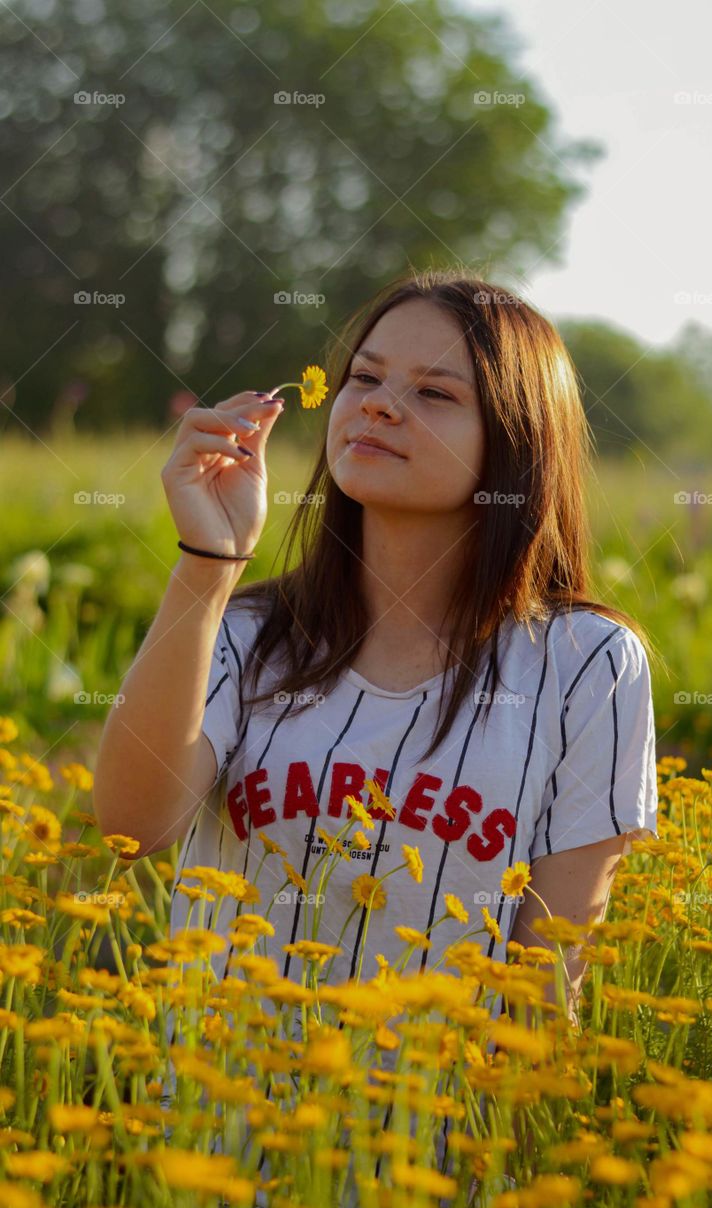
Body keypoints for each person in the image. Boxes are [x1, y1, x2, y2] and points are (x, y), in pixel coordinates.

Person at [93, 266, 658, 1021]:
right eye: (365, 377)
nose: (378, 407)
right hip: (210, 1120)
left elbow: (547, 977)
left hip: (430, 1127)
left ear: (515, 443)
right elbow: (134, 827)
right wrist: (209, 564)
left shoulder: (588, 664)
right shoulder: (244, 632)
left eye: (434, 393)